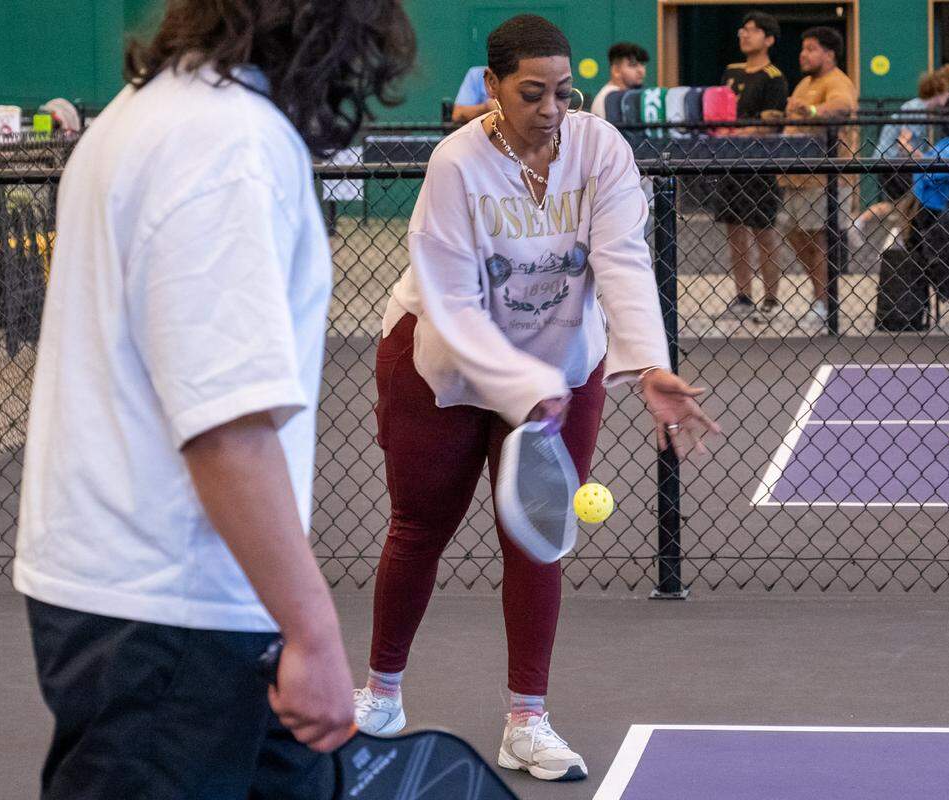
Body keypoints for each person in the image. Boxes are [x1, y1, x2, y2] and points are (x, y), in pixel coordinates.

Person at [13, 2, 415, 798]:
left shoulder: (149, 111)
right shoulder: (227, 141)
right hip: (174, 617)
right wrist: (315, 631)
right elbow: (225, 430)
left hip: (159, 605)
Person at [353, 13, 719, 783]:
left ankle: (528, 720)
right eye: (531, 92)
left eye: (564, 91)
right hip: (440, 368)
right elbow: (451, 306)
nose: (551, 108)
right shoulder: (455, 165)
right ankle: (380, 696)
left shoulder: (601, 149)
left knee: (539, 540)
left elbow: (620, 259)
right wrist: (526, 389)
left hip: (563, 364)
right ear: (492, 87)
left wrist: (648, 364)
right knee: (421, 527)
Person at [712, 11, 789, 321]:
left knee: (764, 233)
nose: (744, 35)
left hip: (759, 165)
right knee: (734, 231)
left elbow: (772, 125)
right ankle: (743, 297)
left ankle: (771, 300)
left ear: (768, 39)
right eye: (742, 30)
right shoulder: (731, 72)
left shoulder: (774, 77)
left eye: (752, 31)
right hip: (729, 163)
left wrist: (741, 132)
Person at [780, 26, 858, 328]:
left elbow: (841, 107)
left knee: (820, 240)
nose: (803, 54)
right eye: (803, 48)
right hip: (797, 177)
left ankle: (825, 304)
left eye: (811, 48)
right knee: (796, 236)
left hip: (826, 178)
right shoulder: (804, 83)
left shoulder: (837, 82)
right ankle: (820, 298)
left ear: (829, 53)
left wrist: (809, 109)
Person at [851, 64, 949, 250]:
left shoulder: (919, 108)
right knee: (909, 201)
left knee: (900, 204)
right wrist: (925, 160)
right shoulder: (916, 109)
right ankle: (893, 236)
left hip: (891, 162)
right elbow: (903, 142)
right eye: (947, 91)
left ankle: (883, 231)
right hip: (892, 163)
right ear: (939, 91)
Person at [590, 41, 649, 120]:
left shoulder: (630, 95)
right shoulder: (606, 99)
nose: (641, 70)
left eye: (642, 64)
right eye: (633, 65)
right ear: (616, 70)